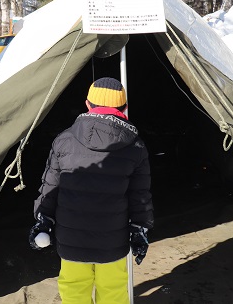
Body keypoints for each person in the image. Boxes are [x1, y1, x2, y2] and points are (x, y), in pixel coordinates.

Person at [30, 77, 154, 304]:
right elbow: (140, 196)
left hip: (71, 239)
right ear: (124, 108)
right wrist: (139, 229)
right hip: (112, 241)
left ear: (88, 105)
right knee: (114, 292)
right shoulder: (136, 147)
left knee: (74, 291)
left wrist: (43, 219)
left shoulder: (64, 140)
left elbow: (51, 186)